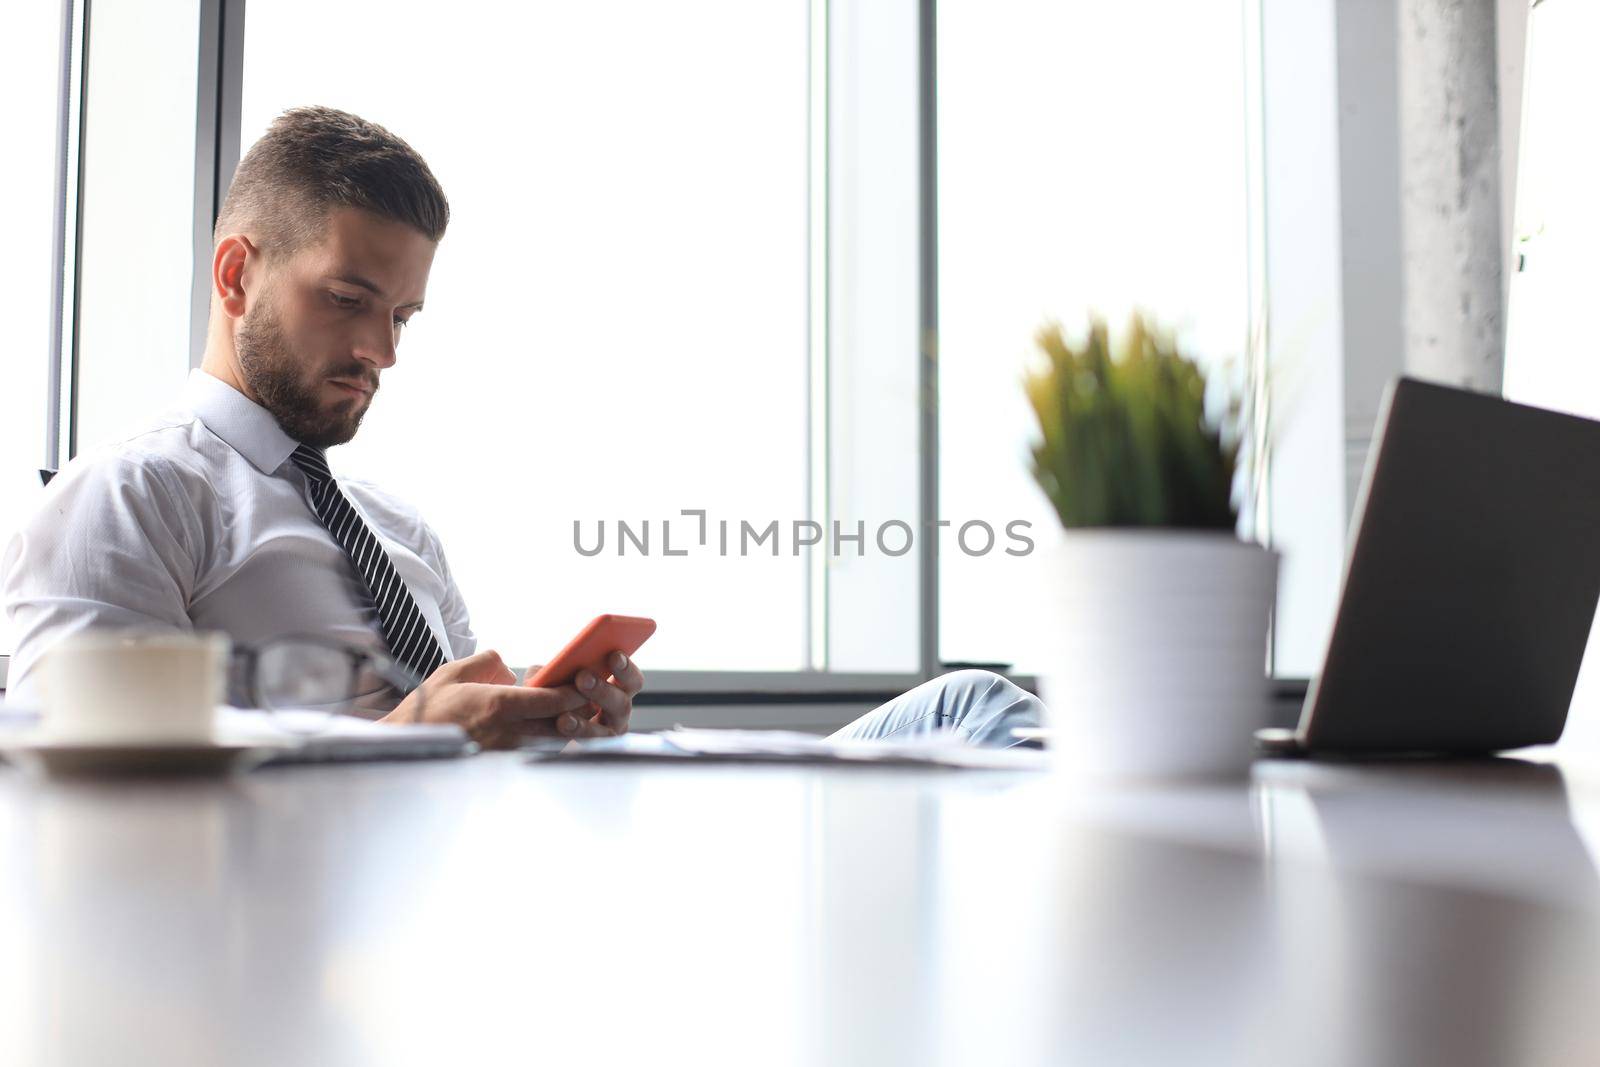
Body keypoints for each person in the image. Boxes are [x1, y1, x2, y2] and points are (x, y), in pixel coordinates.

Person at [1, 106, 1042, 750]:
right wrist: (417, 733)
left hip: (523, 834)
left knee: (974, 703)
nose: (383, 352)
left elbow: (460, 733)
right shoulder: (125, 497)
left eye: (402, 317)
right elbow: (87, 794)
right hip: (362, 895)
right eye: (351, 299)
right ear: (237, 273)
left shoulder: (393, 524)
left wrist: (550, 713)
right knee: (983, 721)